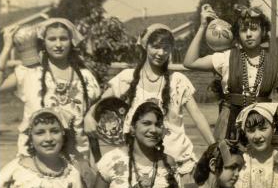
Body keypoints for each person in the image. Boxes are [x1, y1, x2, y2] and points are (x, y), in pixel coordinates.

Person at [85, 24, 215, 179]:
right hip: (137, 164)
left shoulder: (178, 81)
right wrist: (88, 116)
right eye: (156, 47)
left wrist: (214, 146)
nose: (161, 53)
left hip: (177, 163)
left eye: (166, 48)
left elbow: (198, 117)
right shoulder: (127, 78)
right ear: (145, 46)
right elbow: (100, 105)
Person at [183, 4, 278, 140]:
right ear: (237, 34)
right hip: (229, 130)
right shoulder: (226, 58)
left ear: (263, 31)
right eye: (243, 30)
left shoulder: (276, 65)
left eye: (254, 29)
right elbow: (190, 62)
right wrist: (202, 26)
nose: (248, 34)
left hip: (262, 131)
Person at [0, 18, 100, 161]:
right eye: (52, 39)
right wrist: (7, 48)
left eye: (63, 39)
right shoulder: (29, 73)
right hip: (34, 158)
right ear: (43, 42)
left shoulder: (85, 76)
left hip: (76, 157)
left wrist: (91, 114)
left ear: (71, 42)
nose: (58, 44)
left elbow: (98, 103)